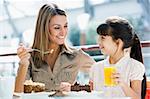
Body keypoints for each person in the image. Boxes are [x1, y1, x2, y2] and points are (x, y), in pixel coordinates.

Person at [15, 3, 95, 93]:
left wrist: (78, 88)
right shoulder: (30, 57)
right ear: (44, 29)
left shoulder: (76, 55)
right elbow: (18, 94)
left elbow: (100, 74)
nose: (63, 32)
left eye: (65, 26)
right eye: (57, 28)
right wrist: (23, 63)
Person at [89, 16, 146, 99]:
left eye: (103, 38)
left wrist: (122, 84)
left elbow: (137, 98)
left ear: (118, 42)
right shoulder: (95, 68)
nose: (98, 41)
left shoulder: (135, 66)